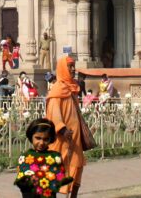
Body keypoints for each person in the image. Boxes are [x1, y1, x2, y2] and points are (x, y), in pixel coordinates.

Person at [46, 56, 92, 198]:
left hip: (75, 139)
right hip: (62, 139)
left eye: (73, 66)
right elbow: (54, 112)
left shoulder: (72, 88)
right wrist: (62, 128)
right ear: (62, 69)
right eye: (70, 66)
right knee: (57, 169)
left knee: (77, 167)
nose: (73, 69)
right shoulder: (57, 90)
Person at [13, 118, 74, 198]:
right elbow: (22, 180)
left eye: (46, 139)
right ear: (31, 137)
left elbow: (60, 176)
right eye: (38, 138)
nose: (41, 143)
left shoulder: (55, 157)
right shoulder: (25, 157)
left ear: (51, 139)